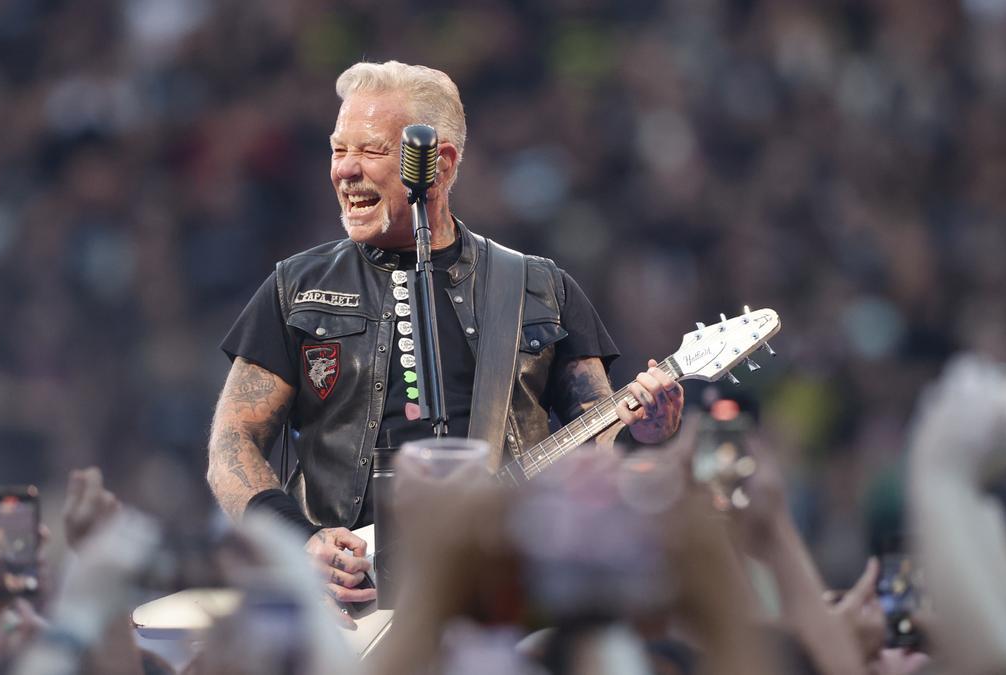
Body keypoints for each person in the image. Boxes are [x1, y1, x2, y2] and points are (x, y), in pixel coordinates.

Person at [205, 60, 683, 606]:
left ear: (439, 163)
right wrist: (297, 540)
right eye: (339, 150)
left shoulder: (538, 288)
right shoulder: (297, 287)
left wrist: (646, 432)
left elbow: (597, 437)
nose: (345, 170)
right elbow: (231, 443)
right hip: (345, 608)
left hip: (504, 593)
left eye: (372, 151)